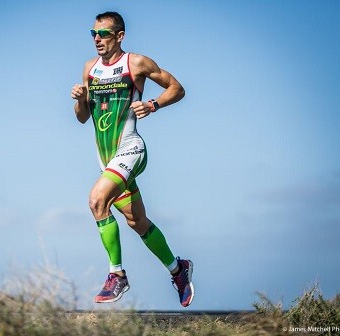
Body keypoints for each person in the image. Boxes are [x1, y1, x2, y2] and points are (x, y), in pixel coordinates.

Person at [71, 11, 194, 307]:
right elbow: (82, 118)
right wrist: (79, 99)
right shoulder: (90, 68)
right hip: (107, 158)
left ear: (120, 36)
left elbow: (177, 88)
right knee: (136, 221)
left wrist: (153, 104)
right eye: (93, 34)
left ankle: (117, 275)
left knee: (97, 200)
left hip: (131, 149)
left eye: (103, 34)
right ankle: (179, 269)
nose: (97, 40)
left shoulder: (136, 63)